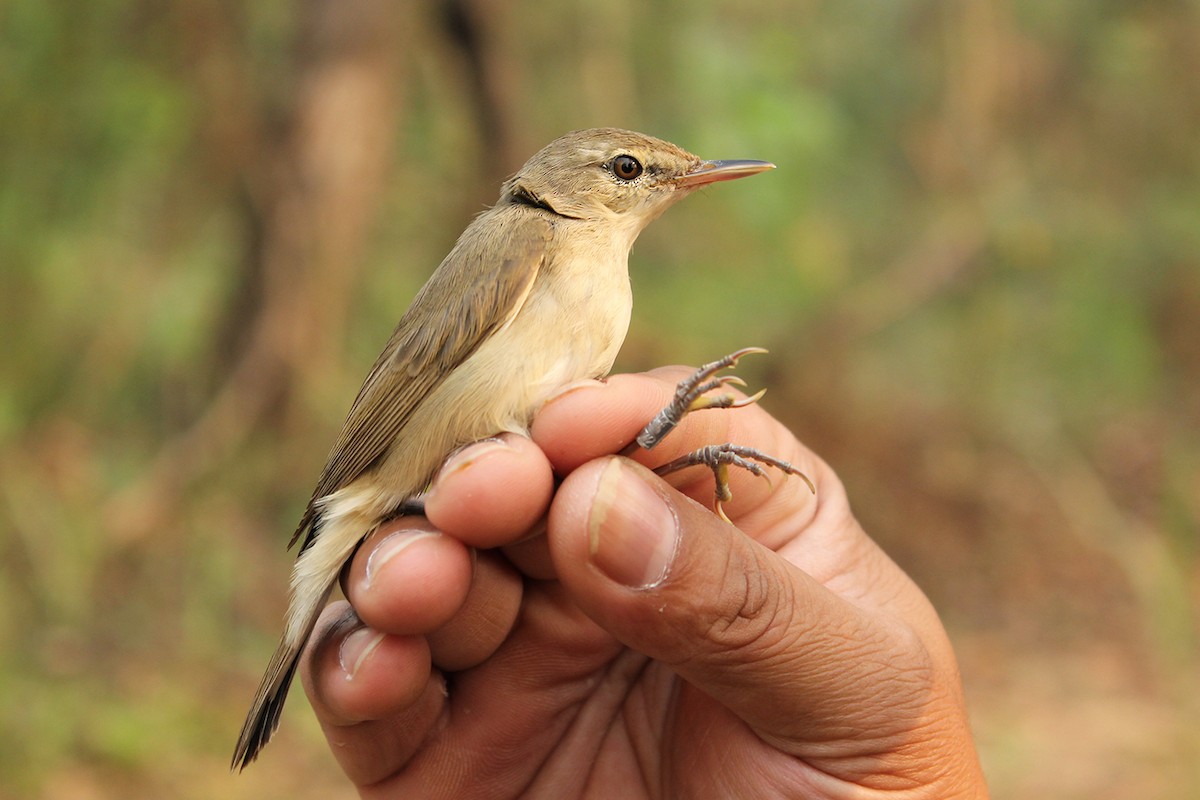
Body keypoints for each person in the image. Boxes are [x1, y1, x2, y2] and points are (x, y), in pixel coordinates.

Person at [298, 363, 990, 798]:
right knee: (535, 493)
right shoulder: (526, 237)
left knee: (545, 492)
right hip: (416, 466)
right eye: (628, 169)